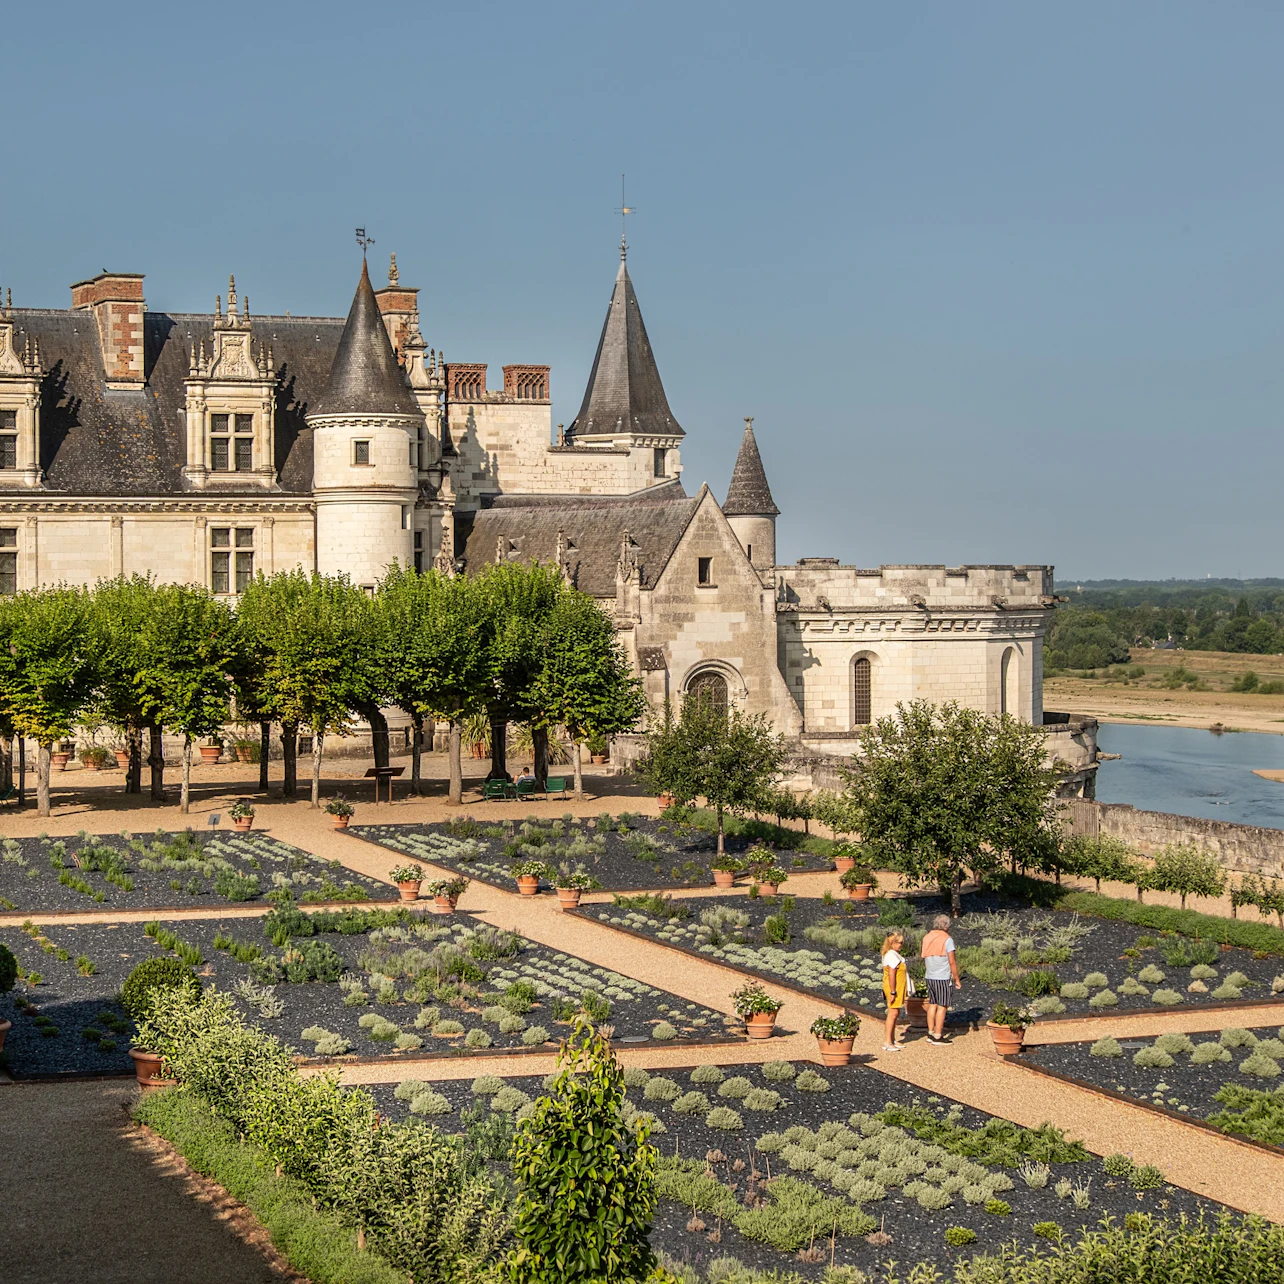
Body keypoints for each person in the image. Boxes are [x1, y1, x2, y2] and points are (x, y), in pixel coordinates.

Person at [921, 914, 961, 1045]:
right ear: (946, 925)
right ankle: (938, 1036)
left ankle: (930, 1032)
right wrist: (957, 979)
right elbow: (952, 961)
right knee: (942, 1005)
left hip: (929, 976)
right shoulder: (947, 939)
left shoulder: (927, 937)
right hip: (942, 977)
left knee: (932, 1004)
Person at [880, 931, 910, 1051]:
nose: (901, 945)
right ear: (892, 943)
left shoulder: (893, 954)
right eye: (900, 943)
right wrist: (893, 991)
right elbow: (892, 974)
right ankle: (887, 1041)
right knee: (892, 1014)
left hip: (897, 987)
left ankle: (892, 1039)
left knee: (895, 1013)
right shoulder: (891, 955)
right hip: (894, 988)